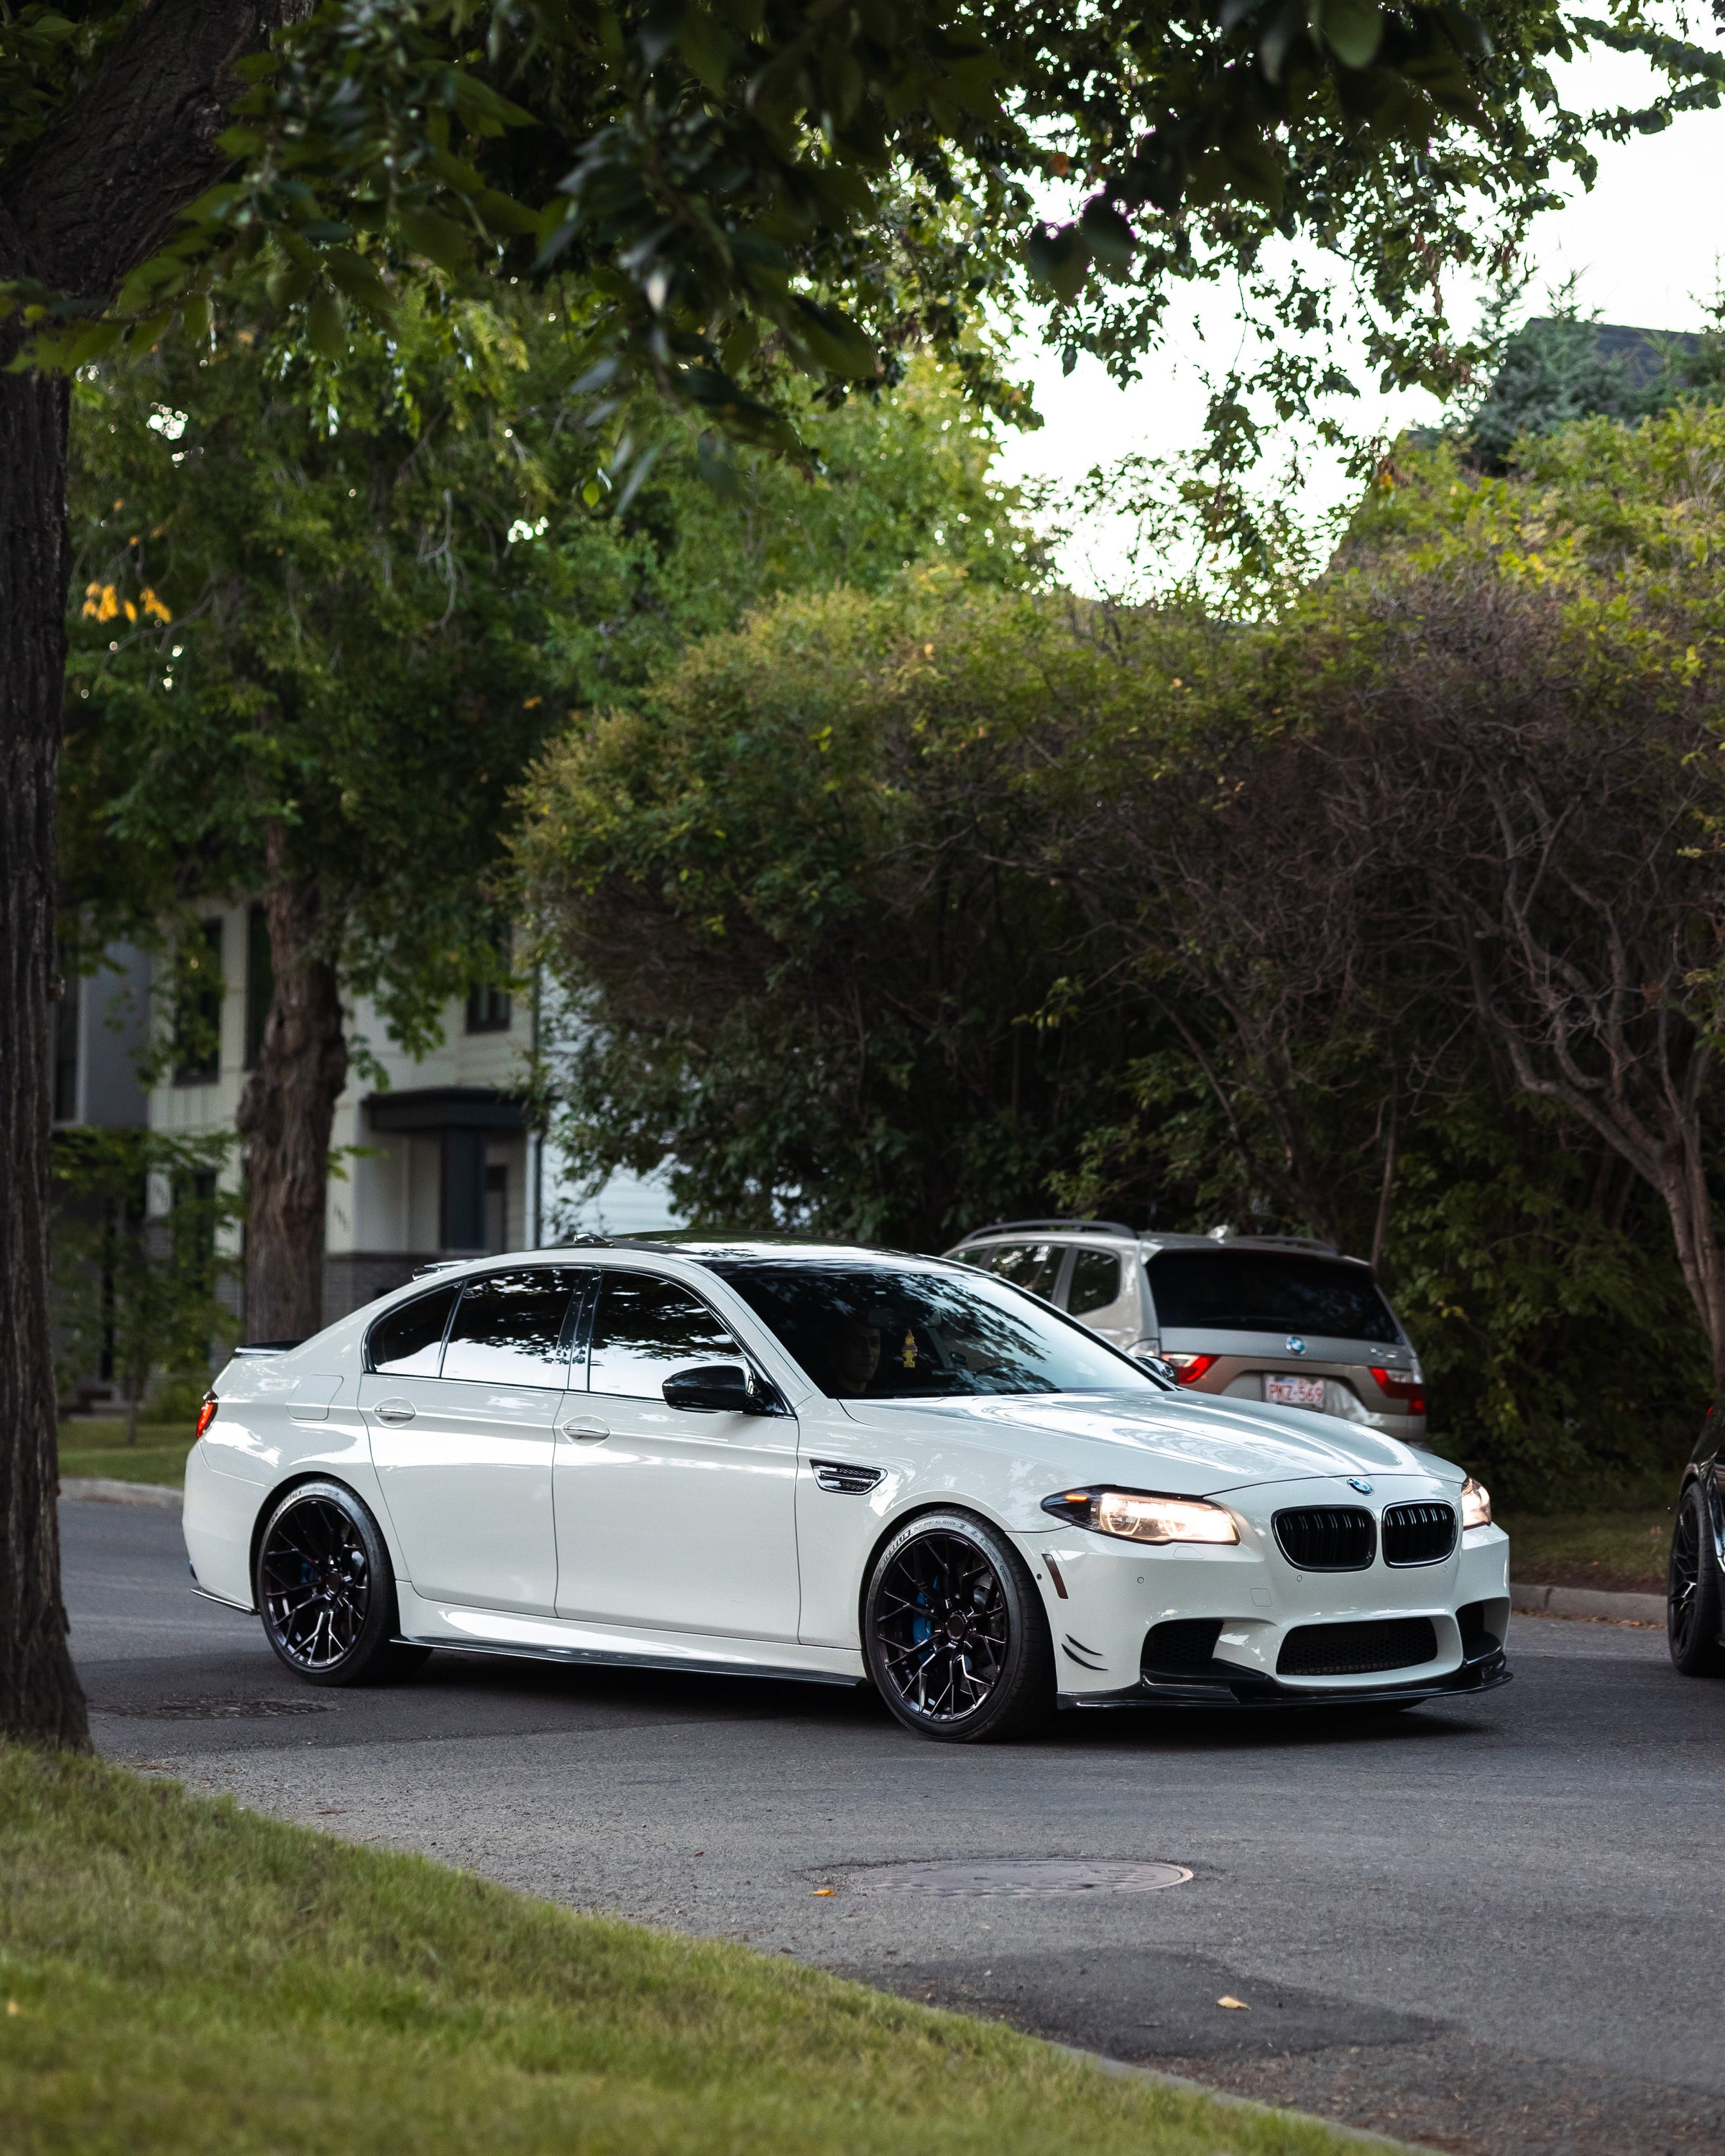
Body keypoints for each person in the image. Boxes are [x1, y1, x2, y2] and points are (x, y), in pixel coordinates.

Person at [829, 1317, 882, 1397]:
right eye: (858, 1343)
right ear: (837, 1348)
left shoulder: (881, 1395)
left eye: (874, 1342)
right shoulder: (825, 1399)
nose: (868, 1352)